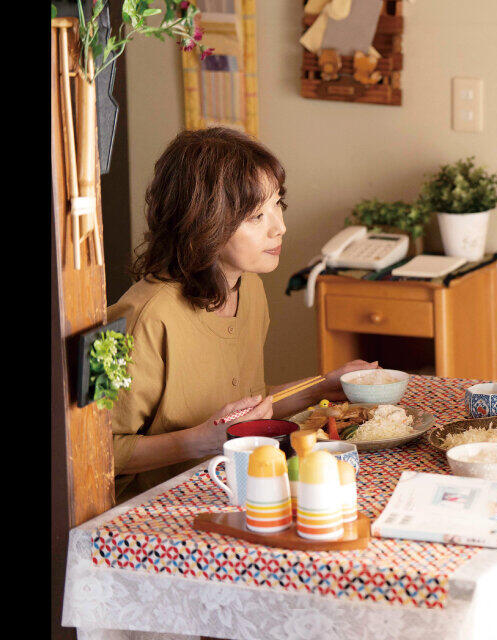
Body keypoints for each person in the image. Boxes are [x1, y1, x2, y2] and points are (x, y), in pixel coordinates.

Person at [108, 127, 376, 501]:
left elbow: (246, 404)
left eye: (278, 204)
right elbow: (95, 451)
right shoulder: (141, 318)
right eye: (256, 216)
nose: (279, 227)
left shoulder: (248, 288)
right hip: (154, 511)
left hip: (232, 491)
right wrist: (201, 441)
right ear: (203, 222)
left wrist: (321, 387)